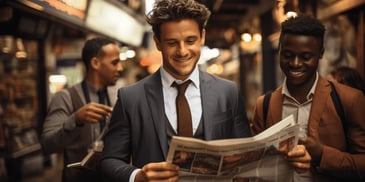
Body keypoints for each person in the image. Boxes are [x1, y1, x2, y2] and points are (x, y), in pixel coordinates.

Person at [100, 0, 310, 181]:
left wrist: (285, 156)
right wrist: (138, 176)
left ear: (202, 36)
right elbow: (109, 160)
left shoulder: (228, 92)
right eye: (172, 42)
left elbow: (247, 156)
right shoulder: (130, 98)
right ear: (157, 42)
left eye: (190, 41)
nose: (182, 51)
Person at [251, 15, 365, 181]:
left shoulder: (349, 99)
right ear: (279, 50)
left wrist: (321, 155)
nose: (295, 63)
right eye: (288, 55)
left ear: (321, 54)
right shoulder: (265, 105)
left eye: (305, 57)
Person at [41, 37, 123, 182]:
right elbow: (47, 145)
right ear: (95, 63)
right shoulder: (65, 97)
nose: (120, 68)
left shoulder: (117, 96)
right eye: (115, 62)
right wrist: (75, 120)